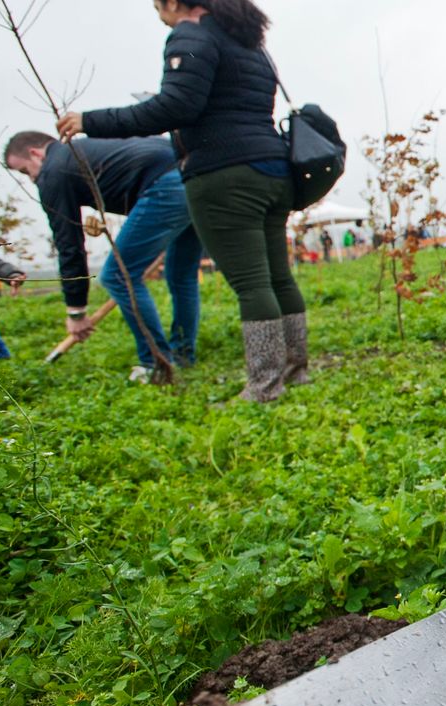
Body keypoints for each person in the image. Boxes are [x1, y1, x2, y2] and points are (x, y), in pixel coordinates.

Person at [56, 0, 307, 403]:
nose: (160, 17)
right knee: (279, 276)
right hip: (274, 169)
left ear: (174, 2)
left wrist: (90, 121)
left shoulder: (191, 34)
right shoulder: (249, 43)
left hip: (226, 175)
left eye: (158, 7)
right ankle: (296, 371)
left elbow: (175, 106)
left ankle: (265, 388)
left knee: (251, 283)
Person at [4, 132, 203, 381]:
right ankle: (182, 356)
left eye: (26, 171)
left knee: (117, 276)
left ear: (35, 154)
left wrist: (76, 311)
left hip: (164, 186)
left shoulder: (53, 171)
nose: (32, 179)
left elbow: (69, 245)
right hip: (197, 177)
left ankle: (156, 363)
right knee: (181, 275)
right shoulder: (86, 149)